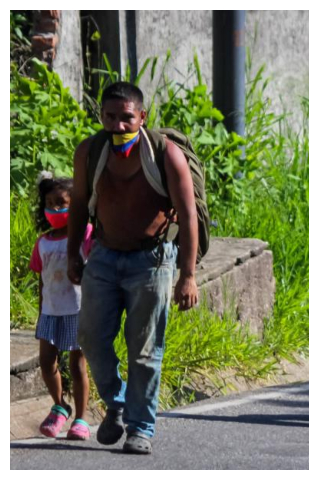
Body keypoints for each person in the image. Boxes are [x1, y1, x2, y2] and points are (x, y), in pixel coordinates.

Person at [67, 82, 199, 454]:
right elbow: (79, 203)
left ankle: (141, 428)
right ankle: (119, 401)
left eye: (127, 117)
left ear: (142, 117)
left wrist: (187, 275)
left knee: (144, 350)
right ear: (101, 117)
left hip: (152, 261)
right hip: (104, 257)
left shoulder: (165, 155)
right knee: (90, 336)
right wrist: (73, 253)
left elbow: (188, 216)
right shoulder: (90, 152)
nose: (118, 125)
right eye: (110, 116)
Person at [31, 173, 93, 440]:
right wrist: (40, 312)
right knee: (47, 363)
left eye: (61, 202)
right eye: (49, 203)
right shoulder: (42, 243)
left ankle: (80, 418)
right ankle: (60, 405)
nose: (55, 209)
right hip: (50, 312)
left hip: (77, 310)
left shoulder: (85, 236)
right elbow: (42, 283)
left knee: (78, 365)